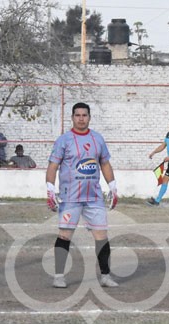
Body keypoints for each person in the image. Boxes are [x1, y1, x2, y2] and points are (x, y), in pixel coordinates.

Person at [46, 102, 119, 289]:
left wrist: (113, 186)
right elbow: (53, 166)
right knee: (64, 235)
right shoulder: (64, 140)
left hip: (93, 197)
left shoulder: (97, 139)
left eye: (84, 115)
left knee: (101, 235)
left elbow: (105, 163)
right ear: (72, 117)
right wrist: (49, 189)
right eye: (77, 115)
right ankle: (59, 276)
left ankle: (105, 276)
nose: (81, 118)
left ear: (89, 117)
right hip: (70, 197)